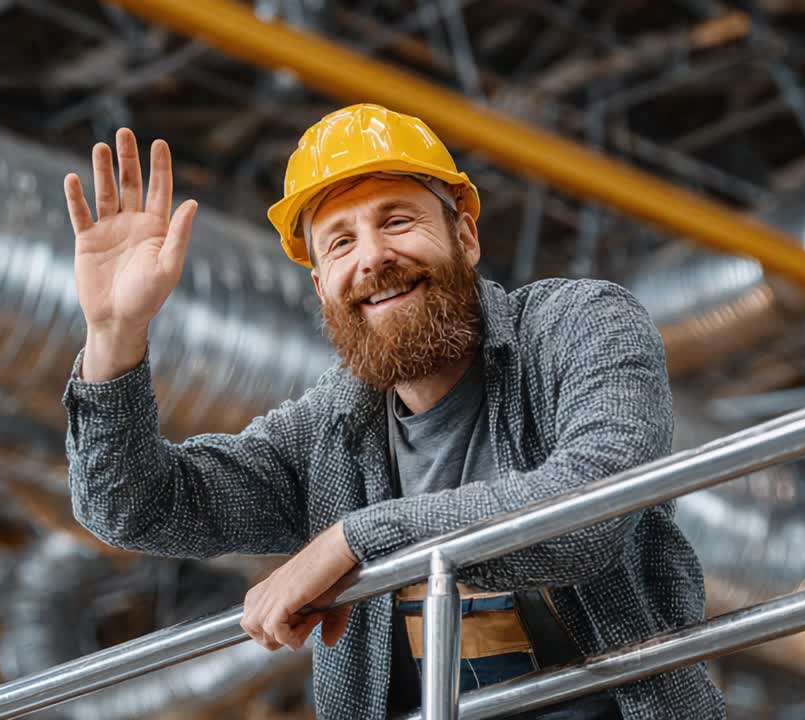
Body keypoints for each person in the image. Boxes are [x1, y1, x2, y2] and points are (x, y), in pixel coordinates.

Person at [62, 104, 725, 720]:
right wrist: (115, 333)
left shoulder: (579, 325)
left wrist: (355, 540)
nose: (373, 257)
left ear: (464, 236)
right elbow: (134, 506)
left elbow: (590, 513)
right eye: (341, 242)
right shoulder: (327, 435)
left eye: (398, 220)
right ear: (323, 288)